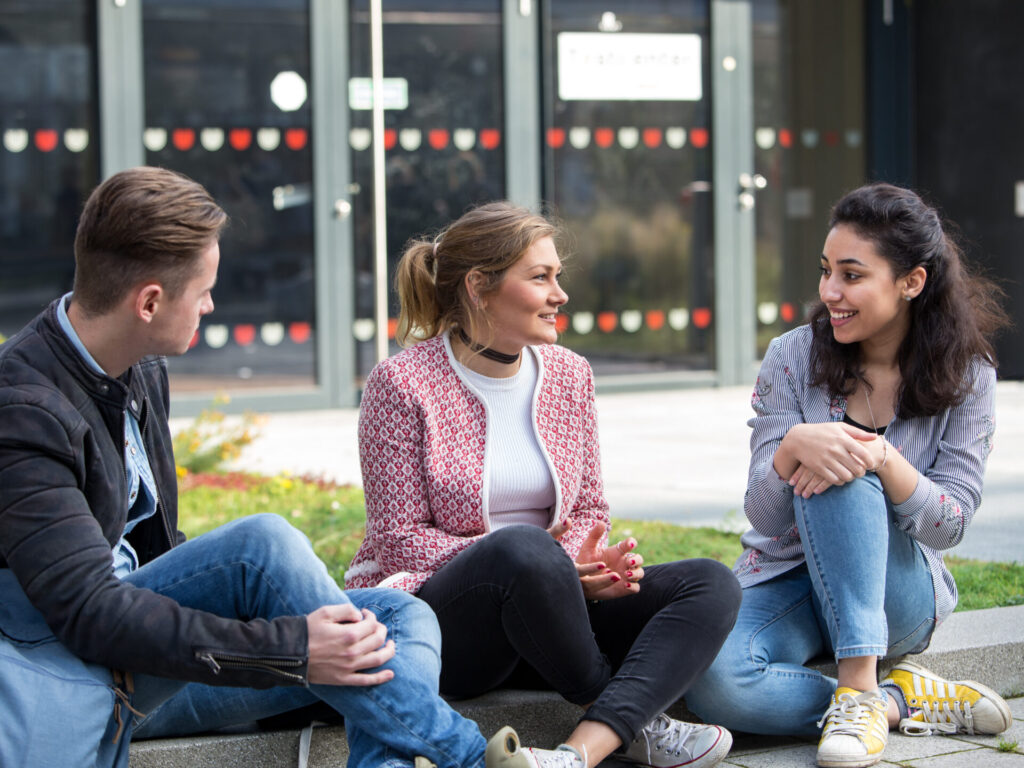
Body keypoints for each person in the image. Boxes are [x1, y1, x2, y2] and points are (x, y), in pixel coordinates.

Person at [0, 167, 556, 768]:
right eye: (204, 290)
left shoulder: (138, 371)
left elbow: (167, 560)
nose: (211, 304)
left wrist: (292, 639)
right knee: (258, 545)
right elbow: (87, 615)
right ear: (150, 301)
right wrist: (293, 649)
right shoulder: (25, 409)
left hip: (164, 664)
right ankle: (472, 757)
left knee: (397, 616)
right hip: (79, 677)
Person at [347, 201, 743, 768]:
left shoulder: (569, 374)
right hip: (451, 628)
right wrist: (549, 565)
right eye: (540, 277)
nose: (560, 294)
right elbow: (397, 540)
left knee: (709, 582)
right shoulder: (402, 383)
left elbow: (588, 504)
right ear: (480, 287)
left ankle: (582, 751)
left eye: (557, 276)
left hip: (557, 616)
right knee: (521, 549)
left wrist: (588, 564)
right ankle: (634, 718)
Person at [684, 183, 1012, 768]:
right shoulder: (792, 356)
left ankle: (858, 678)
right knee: (716, 685)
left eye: (853, 276)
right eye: (826, 271)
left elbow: (951, 524)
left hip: (895, 591)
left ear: (911, 281)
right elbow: (763, 515)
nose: (830, 292)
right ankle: (890, 700)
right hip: (787, 578)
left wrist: (882, 460)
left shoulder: (968, 374)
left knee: (842, 463)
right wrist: (788, 449)